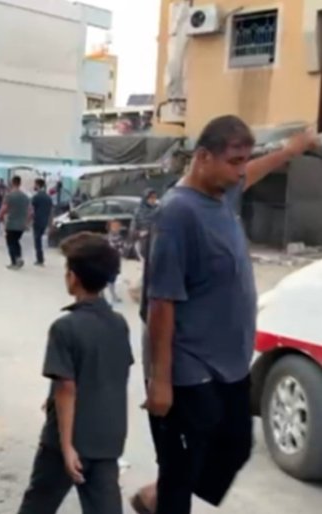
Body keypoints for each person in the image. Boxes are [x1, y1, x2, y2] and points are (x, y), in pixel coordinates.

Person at [134, 116, 318, 514]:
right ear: (202, 157)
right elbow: (161, 303)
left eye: (243, 162)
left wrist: (291, 149)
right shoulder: (176, 214)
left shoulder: (224, 194)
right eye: (234, 161)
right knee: (180, 476)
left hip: (229, 366)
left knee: (235, 446)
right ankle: (164, 495)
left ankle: (158, 492)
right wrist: (161, 382)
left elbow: (253, 171)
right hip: (189, 370)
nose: (241, 171)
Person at [17, 232, 132, 514]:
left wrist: (68, 446)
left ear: (74, 277)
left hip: (65, 442)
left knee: (38, 505)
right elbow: (110, 374)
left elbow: (66, 388)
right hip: (107, 439)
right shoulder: (119, 324)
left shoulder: (65, 328)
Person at [0, 175, 31, 269]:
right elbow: (30, 212)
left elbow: (4, 209)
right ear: (20, 183)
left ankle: (14, 261)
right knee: (16, 241)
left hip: (11, 224)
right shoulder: (25, 197)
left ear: (12, 183)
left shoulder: (9, 196)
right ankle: (19, 257)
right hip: (21, 225)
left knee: (10, 242)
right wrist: (27, 223)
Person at [31, 178, 54, 266]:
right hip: (44, 221)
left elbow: (32, 210)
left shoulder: (36, 197)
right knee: (39, 239)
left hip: (37, 221)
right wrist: (50, 223)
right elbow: (51, 211)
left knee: (37, 240)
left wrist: (28, 221)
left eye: (35, 184)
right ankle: (40, 258)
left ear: (38, 185)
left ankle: (40, 259)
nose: (34, 186)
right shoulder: (48, 197)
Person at [130, 189, 158, 261]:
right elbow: (132, 229)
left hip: (156, 240)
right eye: (151, 198)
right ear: (145, 198)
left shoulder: (158, 209)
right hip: (143, 242)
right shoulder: (138, 211)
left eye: (155, 198)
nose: (153, 200)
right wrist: (139, 233)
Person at [105, 220, 123, 304]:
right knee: (109, 278)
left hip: (116, 260)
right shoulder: (108, 238)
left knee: (113, 278)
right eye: (114, 227)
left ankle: (112, 295)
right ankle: (112, 296)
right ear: (109, 228)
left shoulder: (119, 237)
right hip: (109, 261)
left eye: (118, 226)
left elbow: (122, 248)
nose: (116, 228)